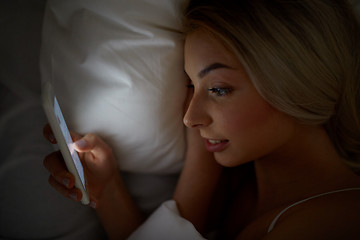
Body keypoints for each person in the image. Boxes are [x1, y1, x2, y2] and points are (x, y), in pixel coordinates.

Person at [43, 0, 360, 239]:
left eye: (219, 89)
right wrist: (108, 187)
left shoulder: (332, 221)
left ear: (296, 80)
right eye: (191, 85)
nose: (189, 119)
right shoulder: (242, 181)